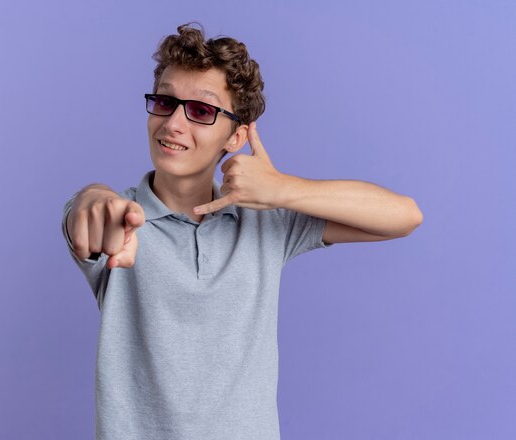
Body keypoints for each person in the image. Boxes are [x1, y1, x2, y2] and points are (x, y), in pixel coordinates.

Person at [62, 23, 423, 440]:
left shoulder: (266, 220)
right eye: (165, 101)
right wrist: (92, 198)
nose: (173, 123)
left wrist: (283, 189)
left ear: (235, 136)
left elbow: (404, 215)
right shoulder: (119, 219)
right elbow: (86, 214)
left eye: (200, 110)